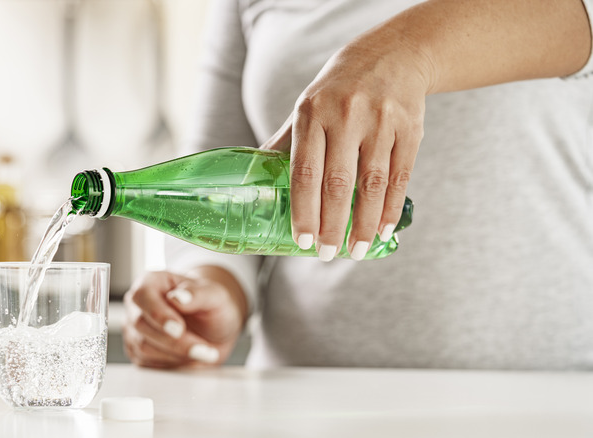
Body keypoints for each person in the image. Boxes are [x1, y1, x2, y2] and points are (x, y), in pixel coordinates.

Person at [123, 0, 593, 370]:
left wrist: (405, 52)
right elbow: (230, 177)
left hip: (543, 399)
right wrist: (210, 291)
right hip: (303, 402)